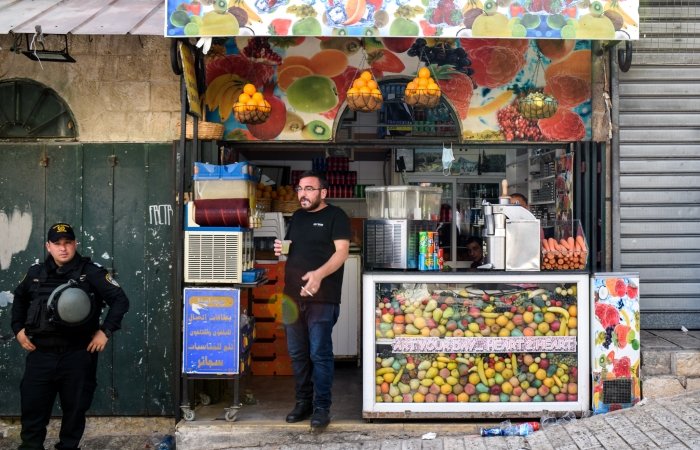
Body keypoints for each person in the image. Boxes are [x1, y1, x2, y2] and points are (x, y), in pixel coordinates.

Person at [11, 223, 130, 450]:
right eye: (57, 244)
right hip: (40, 355)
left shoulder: (92, 271)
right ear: (48, 246)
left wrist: (105, 331)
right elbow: (19, 299)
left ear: (75, 244)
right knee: (32, 416)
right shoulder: (36, 272)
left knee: (74, 417)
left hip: (77, 355)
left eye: (67, 243)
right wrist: (18, 329)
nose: (63, 248)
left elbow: (120, 300)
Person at [273, 171, 350, 428]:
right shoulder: (296, 216)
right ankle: (303, 403)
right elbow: (294, 251)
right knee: (297, 354)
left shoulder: (336, 216)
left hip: (323, 298)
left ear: (323, 193)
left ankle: (321, 407)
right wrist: (281, 250)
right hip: (292, 297)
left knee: (319, 353)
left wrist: (318, 275)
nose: (302, 194)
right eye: (299, 189)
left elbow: (342, 253)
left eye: (308, 189)